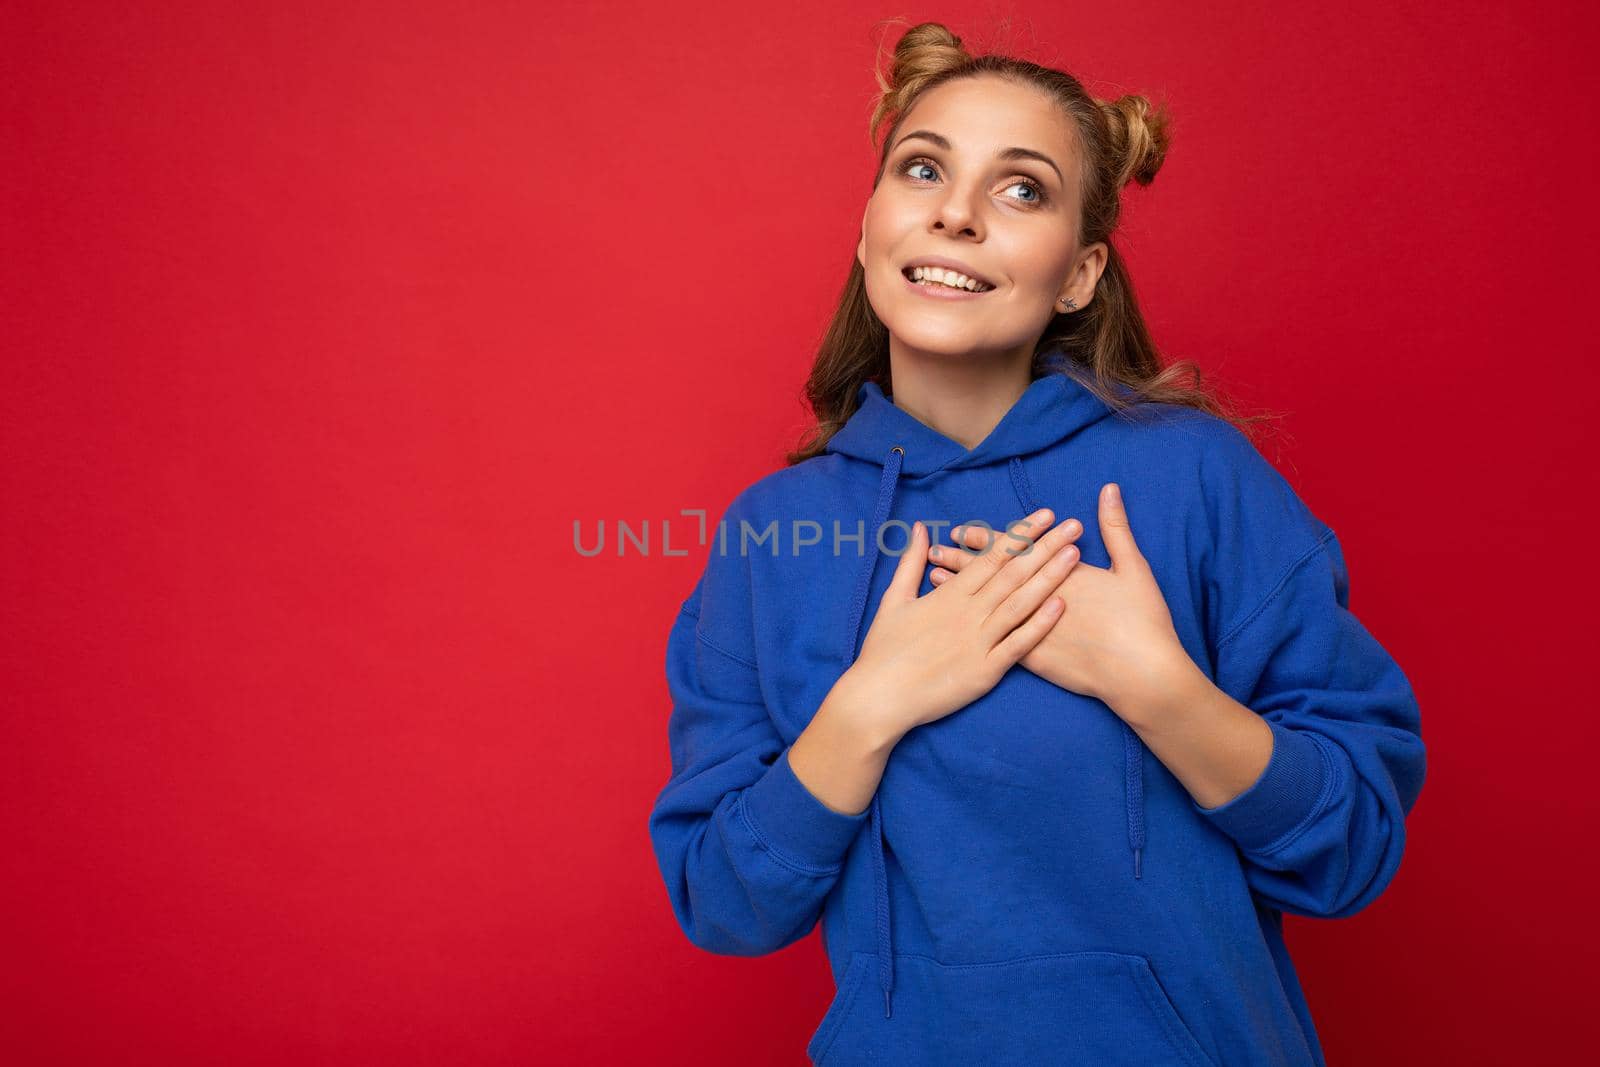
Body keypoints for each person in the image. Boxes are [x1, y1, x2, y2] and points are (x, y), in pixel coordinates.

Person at [646, 21, 1425, 1067]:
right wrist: (871, 704)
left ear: (1079, 273)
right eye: (921, 169)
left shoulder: (1195, 478)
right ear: (870, 224)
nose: (956, 213)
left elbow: (1352, 852)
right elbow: (722, 900)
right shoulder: (769, 537)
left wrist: (1154, 684)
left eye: (1021, 190)